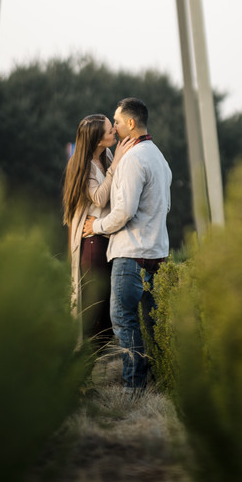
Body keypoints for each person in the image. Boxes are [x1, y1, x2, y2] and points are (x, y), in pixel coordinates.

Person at [83, 97, 172, 390]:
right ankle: (155, 382)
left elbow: (123, 211)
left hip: (130, 254)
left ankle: (133, 388)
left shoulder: (133, 159)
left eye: (117, 122)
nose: (115, 128)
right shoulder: (158, 157)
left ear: (131, 124)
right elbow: (165, 206)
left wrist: (96, 225)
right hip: (156, 252)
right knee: (149, 324)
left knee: (123, 322)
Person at [62, 114, 133, 348]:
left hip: (105, 238)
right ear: (96, 139)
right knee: (94, 313)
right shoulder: (83, 165)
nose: (114, 130)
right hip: (92, 245)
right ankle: (82, 376)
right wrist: (115, 165)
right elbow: (100, 198)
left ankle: (90, 374)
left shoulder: (107, 155)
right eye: (108, 130)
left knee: (105, 314)